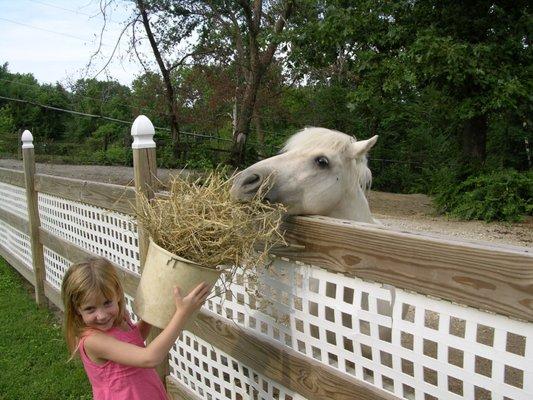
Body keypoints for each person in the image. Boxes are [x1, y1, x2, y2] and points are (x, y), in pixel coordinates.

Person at [61, 257, 211, 400]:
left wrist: (152, 314)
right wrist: (182, 314)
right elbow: (150, 358)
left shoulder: (119, 320)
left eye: (107, 303)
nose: (101, 315)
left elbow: (134, 339)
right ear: (76, 310)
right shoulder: (93, 341)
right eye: (90, 309)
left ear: (117, 295)